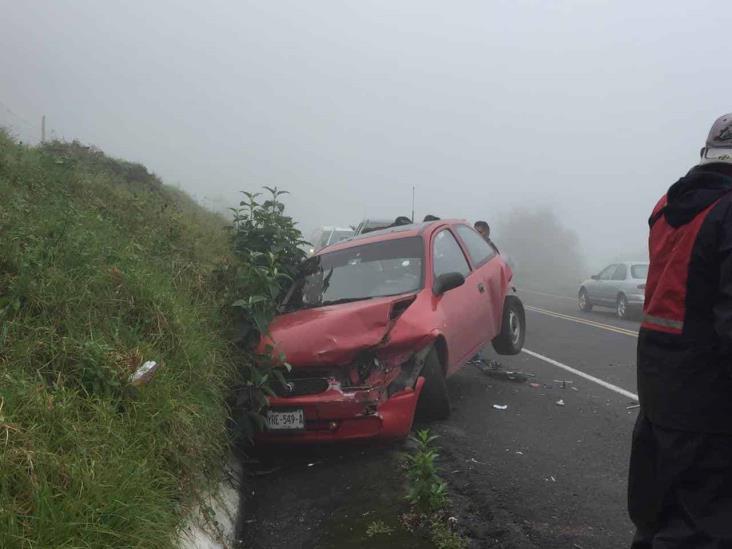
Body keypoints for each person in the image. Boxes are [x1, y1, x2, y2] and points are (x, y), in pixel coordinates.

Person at [629, 113, 732, 548]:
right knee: (700, 528)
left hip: (659, 388)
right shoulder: (727, 211)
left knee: (656, 515)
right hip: (710, 405)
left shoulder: (669, 204)